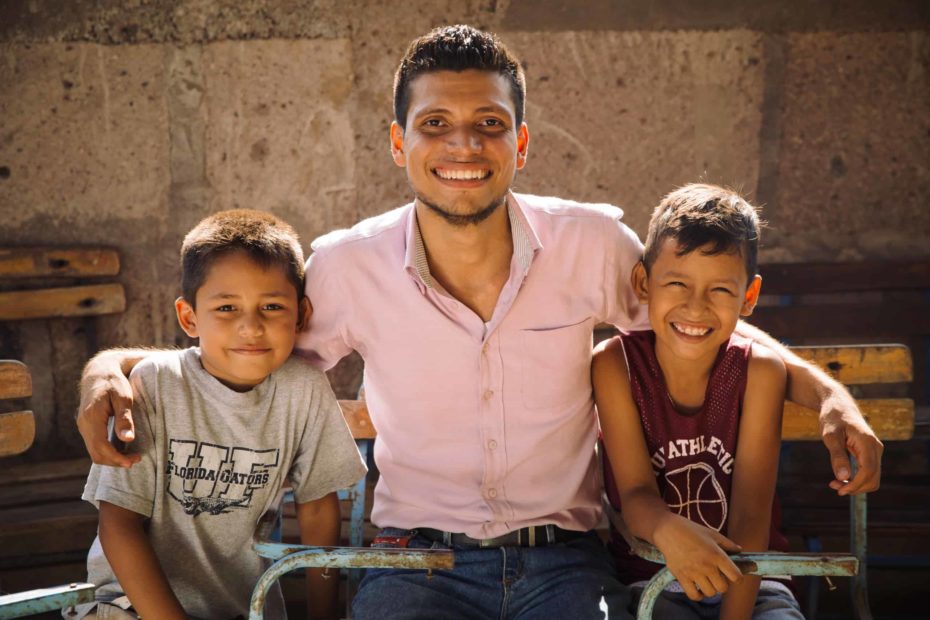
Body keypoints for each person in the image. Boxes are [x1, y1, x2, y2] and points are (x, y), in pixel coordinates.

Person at [76, 25, 882, 619]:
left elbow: (696, 317)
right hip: (410, 566)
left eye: (490, 124)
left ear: (521, 142)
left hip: (565, 564)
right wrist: (107, 368)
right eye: (435, 125)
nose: (464, 143)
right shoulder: (350, 265)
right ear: (399, 142)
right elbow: (240, 345)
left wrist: (830, 396)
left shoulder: (590, 242)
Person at [71, 210, 367, 620]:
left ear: (301, 315)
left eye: (272, 306)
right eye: (227, 307)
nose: (251, 326)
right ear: (189, 317)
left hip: (240, 607)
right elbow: (119, 526)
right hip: (128, 605)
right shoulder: (152, 384)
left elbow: (317, 506)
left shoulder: (304, 388)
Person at [595, 184, 803, 619]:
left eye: (720, 291)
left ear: (749, 297)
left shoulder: (760, 373)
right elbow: (634, 495)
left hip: (754, 586)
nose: (695, 307)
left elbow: (750, 516)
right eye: (676, 283)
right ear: (642, 282)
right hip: (651, 582)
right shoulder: (616, 365)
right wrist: (668, 531)